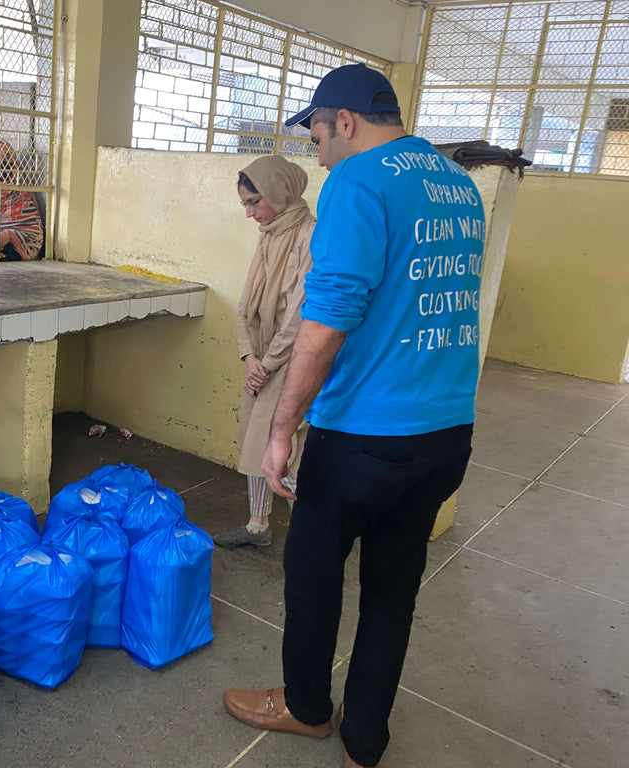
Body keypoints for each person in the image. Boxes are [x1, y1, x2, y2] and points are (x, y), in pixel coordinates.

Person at [221, 64, 485, 768]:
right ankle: (364, 740)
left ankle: (308, 707)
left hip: (366, 433)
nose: (313, 143)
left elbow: (327, 319)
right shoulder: (457, 186)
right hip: (447, 429)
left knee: (312, 573)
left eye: (314, 126)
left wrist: (282, 431)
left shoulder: (358, 182)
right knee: (393, 591)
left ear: (345, 120)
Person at [214, 156, 314, 548]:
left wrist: (268, 363)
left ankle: (309, 536)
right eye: (245, 204)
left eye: (255, 201)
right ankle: (258, 526)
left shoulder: (311, 236)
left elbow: (302, 312)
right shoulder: (269, 235)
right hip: (262, 360)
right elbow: (246, 304)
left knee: (288, 448)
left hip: (293, 360)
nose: (250, 213)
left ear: (279, 192)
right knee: (254, 441)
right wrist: (249, 356)